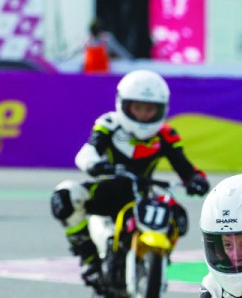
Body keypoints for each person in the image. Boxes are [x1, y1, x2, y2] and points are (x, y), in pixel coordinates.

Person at [50, 68, 210, 287]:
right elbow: (89, 150)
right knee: (64, 196)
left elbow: (183, 165)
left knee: (177, 217)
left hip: (141, 195)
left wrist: (196, 180)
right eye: (138, 107)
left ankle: (160, 257)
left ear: (161, 109)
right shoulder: (109, 124)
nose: (144, 114)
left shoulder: (166, 134)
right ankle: (89, 258)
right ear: (124, 104)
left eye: (150, 109)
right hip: (107, 191)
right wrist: (94, 165)